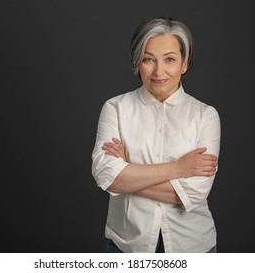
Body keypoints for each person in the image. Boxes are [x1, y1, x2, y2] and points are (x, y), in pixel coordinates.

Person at [91, 17, 221, 253]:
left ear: (185, 64)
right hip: (127, 247)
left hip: (193, 248)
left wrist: (128, 169)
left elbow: (194, 193)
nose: (158, 71)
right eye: (148, 59)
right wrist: (179, 168)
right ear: (138, 63)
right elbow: (105, 175)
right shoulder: (116, 108)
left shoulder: (206, 116)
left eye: (169, 59)